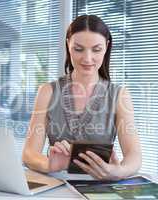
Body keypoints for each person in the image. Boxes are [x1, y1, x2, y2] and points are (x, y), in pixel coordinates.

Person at [22, 15, 141, 181]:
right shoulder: (47, 92)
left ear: (106, 47)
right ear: (68, 45)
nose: (87, 58)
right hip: (56, 186)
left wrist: (118, 171)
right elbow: (29, 153)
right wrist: (49, 164)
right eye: (78, 49)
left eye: (96, 49)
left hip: (100, 187)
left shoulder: (119, 95)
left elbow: (134, 155)